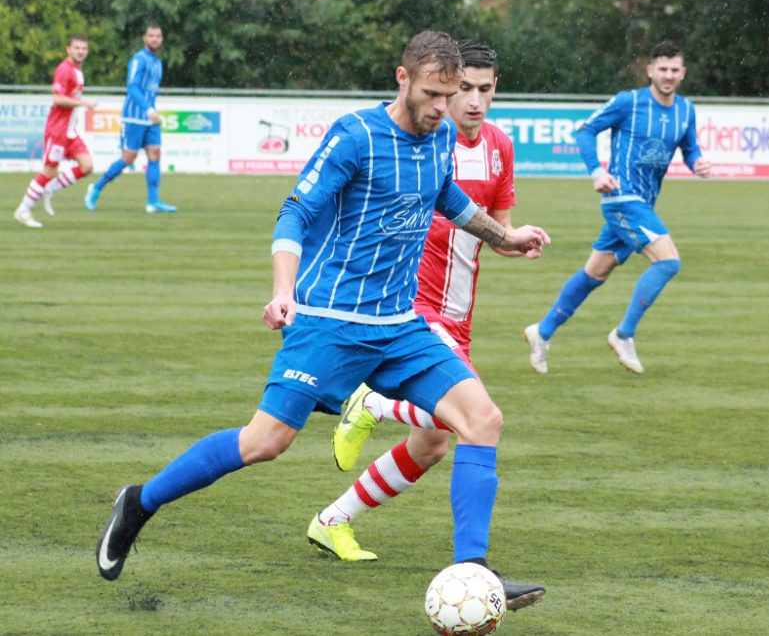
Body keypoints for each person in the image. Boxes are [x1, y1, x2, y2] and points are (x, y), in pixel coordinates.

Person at [95, 31, 548, 607]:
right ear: (402, 78)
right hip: (328, 321)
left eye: (451, 94)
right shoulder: (355, 135)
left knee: (482, 420)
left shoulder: (440, 142)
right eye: (433, 93)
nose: (443, 107)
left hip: (399, 326)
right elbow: (296, 211)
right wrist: (283, 290)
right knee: (264, 442)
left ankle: (475, 576)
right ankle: (140, 501)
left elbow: (448, 199)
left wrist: (506, 237)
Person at [306, 41, 543, 610]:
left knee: (433, 444)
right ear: (442, 86)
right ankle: (374, 405)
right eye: (465, 89)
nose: (476, 101)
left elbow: (492, 228)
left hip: (460, 315)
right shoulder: (424, 141)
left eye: (487, 89)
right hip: (412, 309)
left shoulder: (500, 148)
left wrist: (516, 241)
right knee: (476, 419)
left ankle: (332, 520)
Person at [524, 41, 710, 375]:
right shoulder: (629, 102)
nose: (668, 76)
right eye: (662, 69)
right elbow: (585, 131)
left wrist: (699, 164)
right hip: (622, 198)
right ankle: (623, 334)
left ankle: (542, 331)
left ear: (682, 73)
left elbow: (690, 148)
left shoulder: (685, 110)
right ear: (650, 70)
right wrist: (597, 170)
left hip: (642, 203)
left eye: (674, 70)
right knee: (668, 262)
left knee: (595, 272)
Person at [85, 23, 176, 213]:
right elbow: (132, 88)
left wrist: (151, 112)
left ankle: (153, 201)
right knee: (128, 158)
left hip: (150, 119)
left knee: (155, 154)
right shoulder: (138, 59)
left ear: (162, 39)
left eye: (158, 36)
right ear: (144, 38)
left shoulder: (157, 63)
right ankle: (97, 187)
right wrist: (148, 109)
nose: (155, 39)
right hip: (134, 117)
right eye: (151, 35)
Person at [13, 35, 97, 228]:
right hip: (58, 130)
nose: (80, 51)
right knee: (49, 172)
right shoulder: (64, 70)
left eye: (84, 48)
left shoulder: (78, 71)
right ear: (68, 49)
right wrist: (84, 103)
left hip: (69, 131)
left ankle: (49, 189)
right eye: (77, 48)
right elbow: (58, 99)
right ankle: (23, 210)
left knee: (87, 166)